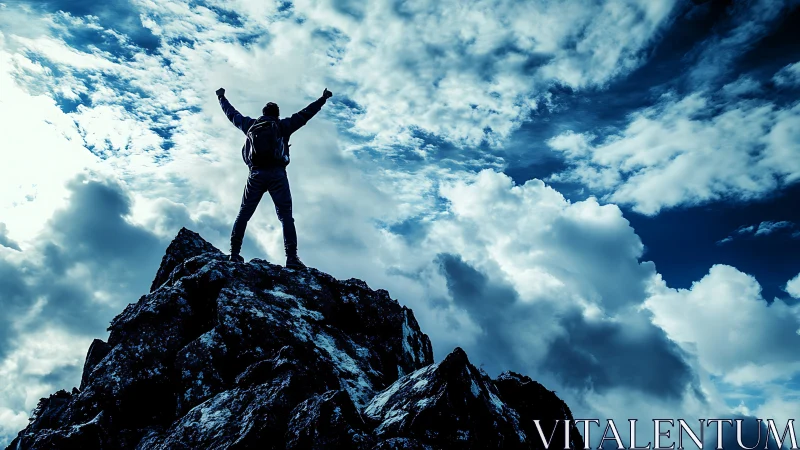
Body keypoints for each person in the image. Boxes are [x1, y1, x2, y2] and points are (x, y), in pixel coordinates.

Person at [216, 86, 332, 268]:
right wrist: (322, 99)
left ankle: (234, 253)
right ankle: (291, 258)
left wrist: (221, 97)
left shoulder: (250, 125)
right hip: (277, 174)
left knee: (244, 214)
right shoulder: (283, 125)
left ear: (263, 113)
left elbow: (231, 113)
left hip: (255, 174)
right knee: (286, 217)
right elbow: (306, 114)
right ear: (277, 115)